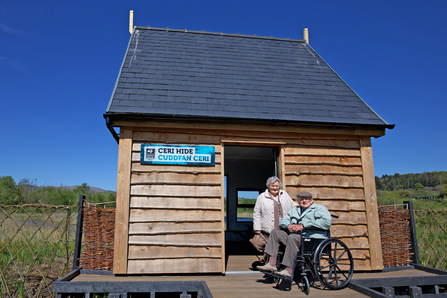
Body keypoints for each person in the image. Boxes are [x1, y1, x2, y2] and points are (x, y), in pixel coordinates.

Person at [256, 191, 332, 277]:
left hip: (311, 239)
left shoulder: (319, 209)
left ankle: (288, 270)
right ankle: (271, 264)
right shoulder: (295, 210)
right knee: (275, 232)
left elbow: (326, 222)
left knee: (292, 237)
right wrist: (289, 226)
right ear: (298, 201)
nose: (304, 201)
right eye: (301, 199)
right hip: (295, 238)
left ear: (311, 200)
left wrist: (303, 226)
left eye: (306, 199)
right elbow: (283, 221)